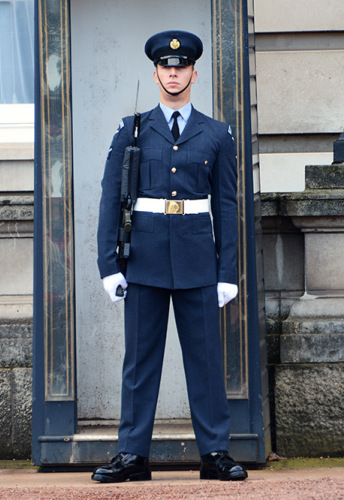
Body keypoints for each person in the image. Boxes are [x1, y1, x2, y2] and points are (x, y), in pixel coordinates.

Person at [93, 30, 247, 483]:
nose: (173, 73)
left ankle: (215, 453)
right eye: (166, 67)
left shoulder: (216, 134)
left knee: (205, 361)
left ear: (194, 74)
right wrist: (109, 264)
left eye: (181, 67)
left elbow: (226, 206)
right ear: (156, 72)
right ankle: (132, 456)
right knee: (140, 363)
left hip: (199, 260)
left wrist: (227, 271)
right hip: (144, 259)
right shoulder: (132, 129)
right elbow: (111, 200)